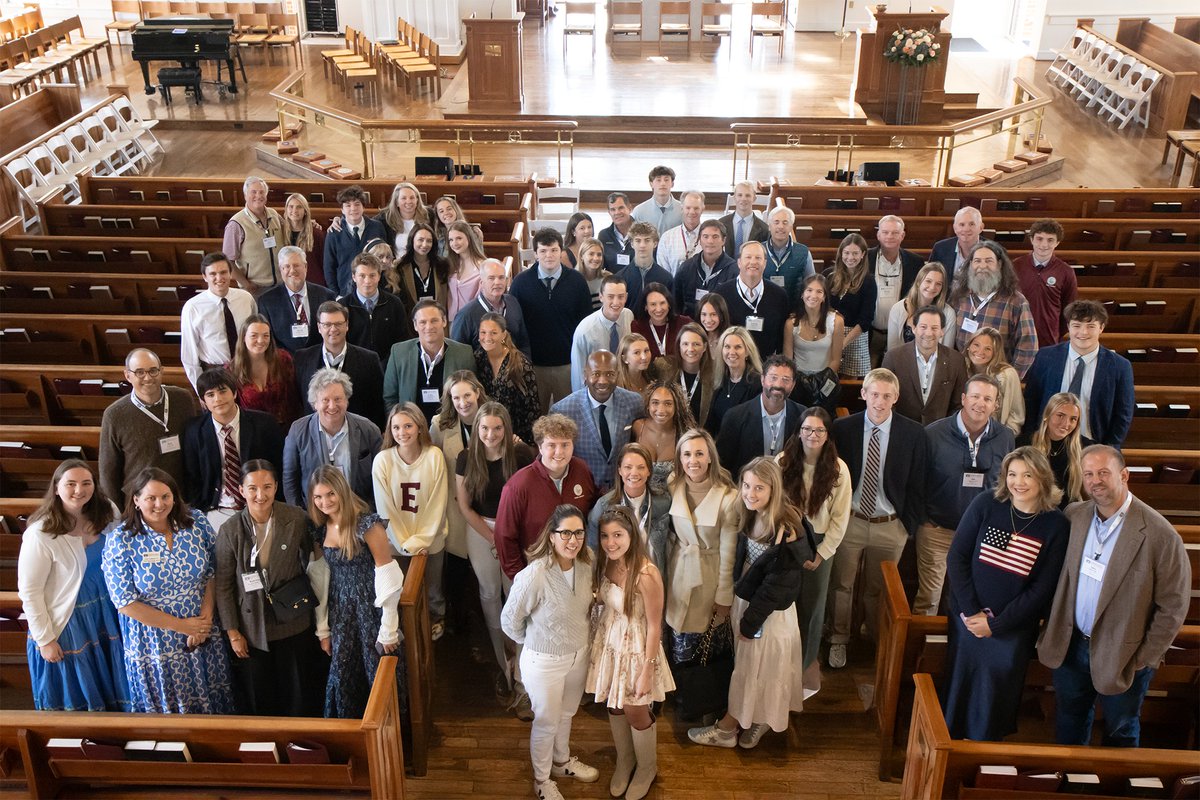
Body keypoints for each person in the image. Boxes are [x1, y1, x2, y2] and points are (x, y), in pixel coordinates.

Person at [1037, 445, 1191, 748]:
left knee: (1121, 730)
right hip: (1071, 645)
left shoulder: (1160, 534)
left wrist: (1144, 658)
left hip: (1124, 654)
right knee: (1069, 723)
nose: (1096, 481)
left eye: (1104, 473)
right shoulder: (1075, 515)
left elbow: (1173, 606)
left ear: (1124, 475)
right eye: (1090, 474)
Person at [941, 447, 1069, 741]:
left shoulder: (1056, 524)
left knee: (994, 699)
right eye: (1012, 474)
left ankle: (983, 756)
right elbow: (957, 557)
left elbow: (1042, 588)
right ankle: (948, 749)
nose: (1018, 482)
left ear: (1043, 478)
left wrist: (996, 624)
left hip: (1012, 629)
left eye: (1027, 475)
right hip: (968, 620)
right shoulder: (988, 504)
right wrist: (973, 613)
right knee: (959, 691)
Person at [688, 457, 809, 750]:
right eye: (746, 485)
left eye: (759, 488)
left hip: (768, 613)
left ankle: (727, 730)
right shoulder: (749, 513)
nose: (750, 493)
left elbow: (776, 587)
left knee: (758, 670)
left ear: (774, 490)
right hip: (749, 604)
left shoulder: (786, 527)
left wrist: (750, 623)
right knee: (751, 669)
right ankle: (753, 718)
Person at [101, 467, 234, 713]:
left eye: (165, 496)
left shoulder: (195, 523)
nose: (159, 504)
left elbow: (214, 571)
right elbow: (124, 601)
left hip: (203, 633)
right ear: (137, 500)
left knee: (214, 708)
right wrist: (181, 626)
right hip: (154, 644)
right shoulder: (121, 540)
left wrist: (204, 620)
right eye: (151, 498)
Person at [827, 368, 927, 669]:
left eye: (886, 396)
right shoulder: (843, 429)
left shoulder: (913, 433)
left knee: (878, 588)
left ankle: (872, 637)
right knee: (842, 585)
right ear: (863, 394)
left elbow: (919, 484)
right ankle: (838, 639)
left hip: (890, 524)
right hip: (852, 520)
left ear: (896, 398)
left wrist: (906, 527)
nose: (879, 402)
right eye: (874, 394)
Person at [501, 505, 600, 800]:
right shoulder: (536, 574)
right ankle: (542, 781)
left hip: (578, 656)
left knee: (567, 713)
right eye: (565, 533)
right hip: (544, 662)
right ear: (552, 536)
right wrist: (536, 641)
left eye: (579, 532)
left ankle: (561, 762)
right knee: (546, 721)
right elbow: (509, 621)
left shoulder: (588, 563)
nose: (573, 540)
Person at [215, 460, 326, 716]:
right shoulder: (229, 530)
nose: (260, 495)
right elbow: (223, 586)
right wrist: (233, 633)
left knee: (299, 693)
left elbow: (318, 554)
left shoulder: (296, 518)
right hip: (252, 627)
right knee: (261, 697)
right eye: (252, 488)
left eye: (267, 487)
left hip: (293, 619)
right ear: (241, 490)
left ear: (276, 487)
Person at [18, 460, 130, 711]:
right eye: (71, 484)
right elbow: (30, 591)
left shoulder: (107, 511)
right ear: (56, 488)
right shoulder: (40, 533)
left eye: (86, 483)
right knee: (82, 692)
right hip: (69, 621)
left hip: (107, 613)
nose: (79, 490)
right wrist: (45, 639)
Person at [587, 505, 673, 800]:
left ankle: (647, 767)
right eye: (605, 536)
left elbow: (654, 626)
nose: (611, 542)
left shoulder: (647, 573)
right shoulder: (606, 563)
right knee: (613, 705)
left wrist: (647, 670)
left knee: (636, 710)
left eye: (618, 535)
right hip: (610, 643)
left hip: (637, 648)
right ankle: (626, 761)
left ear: (631, 535)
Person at [308, 465, 405, 719]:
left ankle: (388, 738)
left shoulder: (367, 524)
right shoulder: (319, 529)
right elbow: (321, 579)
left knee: (378, 671)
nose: (324, 502)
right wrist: (323, 628)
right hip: (341, 611)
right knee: (343, 670)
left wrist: (389, 626)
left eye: (330, 494)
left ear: (341, 490)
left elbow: (388, 574)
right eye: (318, 497)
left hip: (371, 606)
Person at [916, 374, 1015, 616]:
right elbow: (916, 481)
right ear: (963, 398)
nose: (980, 403)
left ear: (996, 405)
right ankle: (918, 651)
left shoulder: (1006, 437)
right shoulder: (933, 434)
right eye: (975, 396)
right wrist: (924, 520)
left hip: (982, 533)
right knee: (929, 598)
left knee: (973, 598)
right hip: (938, 529)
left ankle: (960, 650)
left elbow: (1007, 485)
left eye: (988, 399)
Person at [456, 402, 536, 696]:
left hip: (514, 531)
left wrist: (506, 538)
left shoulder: (521, 454)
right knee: (489, 595)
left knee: (516, 595)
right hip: (481, 530)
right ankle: (504, 668)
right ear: (477, 429)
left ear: (507, 428)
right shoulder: (466, 458)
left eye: (497, 428)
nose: (491, 434)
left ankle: (523, 678)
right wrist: (492, 539)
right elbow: (464, 507)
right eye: (485, 428)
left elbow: (530, 498)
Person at [778, 408, 851, 696]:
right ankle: (781, 660)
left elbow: (840, 517)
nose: (812, 435)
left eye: (819, 430)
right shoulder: (782, 462)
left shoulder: (838, 469)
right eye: (807, 429)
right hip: (786, 538)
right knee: (784, 602)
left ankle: (805, 663)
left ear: (828, 435)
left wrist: (822, 553)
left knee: (812, 607)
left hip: (820, 542)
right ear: (798, 432)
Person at [664, 428, 739, 670]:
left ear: (710, 457)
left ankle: (699, 697)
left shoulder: (728, 497)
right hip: (678, 570)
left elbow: (729, 554)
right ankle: (678, 690)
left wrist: (724, 596)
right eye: (686, 454)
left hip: (709, 575)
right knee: (675, 633)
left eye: (699, 454)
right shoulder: (673, 484)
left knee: (704, 643)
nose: (692, 461)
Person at [373, 403, 449, 640]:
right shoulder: (383, 461)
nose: (402, 432)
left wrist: (422, 540)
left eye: (408, 425)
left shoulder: (434, 456)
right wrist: (405, 542)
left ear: (419, 427)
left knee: (433, 589)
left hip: (430, 540)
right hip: (397, 542)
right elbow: (385, 509)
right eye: (396, 427)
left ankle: (435, 621)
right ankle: (407, 631)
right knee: (402, 591)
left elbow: (437, 503)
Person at [495, 414, 598, 582]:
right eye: (551, 445)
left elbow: (593, 505)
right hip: (534, 574)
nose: (559, 452)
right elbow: (504, 537)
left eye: (565, 444)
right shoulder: (518, 486)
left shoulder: (582, 470)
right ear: (540, 447)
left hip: (575, 569)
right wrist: (520, 578)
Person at [182, 367, 284, 531]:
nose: (218, 399)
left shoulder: (264, 424)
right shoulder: (194, 431)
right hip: (216, 508)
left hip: (260, 504)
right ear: (203, 401)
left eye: (223, 391)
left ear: (235, 393)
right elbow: (191, 476)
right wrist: (201, 510)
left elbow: (279, 466)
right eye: (210, 395)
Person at [1022, 300, 1134, 447]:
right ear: (1068, 326)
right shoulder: (1046, 357)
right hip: (1046, 442)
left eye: (1091, 326)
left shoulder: (1119, 366)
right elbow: (1032, 401)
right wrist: (1032, 440)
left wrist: (1109, 448)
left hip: (1093, 444)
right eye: (1076, 325)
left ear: (1101, 328)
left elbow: (1123, 413)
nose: (1083, 332)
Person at [99, 348, 199, 508]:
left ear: (162, 371)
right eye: (139, 372)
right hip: (140, 504)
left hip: (181, 499)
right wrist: (119, 513)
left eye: (153, 371)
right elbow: (108, 472)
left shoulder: (182, 399)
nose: (148, 378)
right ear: (127, 375)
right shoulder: (114, 414)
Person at [510, 227, 594, 411]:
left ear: (561, 251)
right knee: (536, 415)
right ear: (535, 254)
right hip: (534, 366)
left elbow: (586, 323)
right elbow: (514, 325)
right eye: (543, 250)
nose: (549, 255)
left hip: (568, 364)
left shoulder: (577, 281)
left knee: (569, 415)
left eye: (554, 250)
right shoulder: (520, 283)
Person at [282, 368, 382, 507]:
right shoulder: (298, 431)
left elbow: (381, 477)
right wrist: (299, 516)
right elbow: (290, 479)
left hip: (358, 513)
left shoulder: (368, 429)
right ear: (314, 404)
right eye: (325, 400)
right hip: (314, 516)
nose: (332, 406)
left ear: (347, 400)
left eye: (338, 399)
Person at [551, 350, 644, 493]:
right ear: (585, 375)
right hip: (581, 491)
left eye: (609, 374)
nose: (602, 381)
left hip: (624, 489)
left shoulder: (634, 402)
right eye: (596, 374)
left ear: (617, 375)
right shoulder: (563, 410)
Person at [950, 240, 1039, 378]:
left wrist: (1010, 378)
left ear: (1000, 265)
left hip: (997, 381)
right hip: (963, 378)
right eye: (977, 261)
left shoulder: (1016, 301)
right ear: (970, 265)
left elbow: (1028, 346)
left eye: (989, 261)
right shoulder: (960, 297)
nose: (982, 266)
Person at [294, 301, 386, 427]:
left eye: (338, 324)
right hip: (315, 434)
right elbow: (297, 401)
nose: (333, 329)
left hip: (358, 434)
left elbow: (378, 403)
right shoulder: (302, 359)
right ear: (319, 327)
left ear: (347, 325)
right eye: (327, 324)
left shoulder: (369, 359)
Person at [430, 370, 488, 572]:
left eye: (467, 396)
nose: (462, 403)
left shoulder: (492, 420)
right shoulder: (439, 425)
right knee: (459, 569)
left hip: (486, 503)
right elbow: (433, 466)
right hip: (455, 506)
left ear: (477, 393)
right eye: (456, 397)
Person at [381, 300, 475, 422]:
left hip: (451, 428)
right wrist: (400, 427)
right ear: (415, 325)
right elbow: (390, 398)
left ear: (444, 321)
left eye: (434, 320)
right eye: (422, 322)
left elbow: (472, 396)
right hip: (411, 431)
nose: (429, 327)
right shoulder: (399, 353)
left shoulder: (464, 353)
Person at [587, 443, 671, 577]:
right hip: (616, 578)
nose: (634, 473)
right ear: (620, 470)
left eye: (641, 467)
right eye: (628, 467)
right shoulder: (604, 505)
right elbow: (592, 549)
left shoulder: (663, 502)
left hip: (653, 578)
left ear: (649, 471)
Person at [715, 355, 805, 477]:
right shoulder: (735, 417)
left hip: (787, 490)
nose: (778, 385)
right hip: (747, 490)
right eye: (773, 378)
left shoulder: (802, 416)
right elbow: (723, 466)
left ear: (793, 385)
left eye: (785, 380)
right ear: (762, 380)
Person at [181, 252, 258, 390]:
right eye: (213, 274)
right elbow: (189, 355)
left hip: (247, 369)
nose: (219, 278)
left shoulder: (246, 298)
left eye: (223, 272)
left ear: (230, 274)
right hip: (215, 372)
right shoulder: (193, 307)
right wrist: (200, 389)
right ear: (205, 277)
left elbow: (256, 333)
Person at [882, 306, 968, 426]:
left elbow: (958, 404)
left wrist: (946, 429)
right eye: (923, 327)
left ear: (942, 331)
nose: (928, 333)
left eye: (934, 328)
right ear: (914, 328)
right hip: (901, 429)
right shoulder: (893, 357)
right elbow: (885, 398)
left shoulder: (956, 360)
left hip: (940, 433)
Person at [254, 245, 335, 355]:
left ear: (305, 266)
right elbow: (269, 339)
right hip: (285, 364)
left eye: (296, 265)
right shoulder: (267, 302)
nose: (292, 271)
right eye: (287, 266)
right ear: (281, 269)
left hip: (320, 362)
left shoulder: (326, 296)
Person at [867, 215, 925, 367]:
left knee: (897, 373)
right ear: (878, 235)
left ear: (902, 235)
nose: (889, 236)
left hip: (901, 333)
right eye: (885, 232)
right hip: (871, 332)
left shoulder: (916, 262)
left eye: (894, 233)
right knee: (869, 378)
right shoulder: (865, 258)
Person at [475, 312, 541, 444]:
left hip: (516, 436)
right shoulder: (477, 359)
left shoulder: (519, 363)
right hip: (488, 435)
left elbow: (533, 408)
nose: (487, 337)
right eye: (483, 332)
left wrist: (530, 444)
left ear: (503, 334)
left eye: (493, 333)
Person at [716, 240, 788, 358]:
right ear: (739, 262)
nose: (753, 262)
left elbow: (781, 336)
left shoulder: (779, 295)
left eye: (758, 258)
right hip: (731, 363)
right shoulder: (721, 294)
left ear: (765, 263)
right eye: (748, 257)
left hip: (766, 364)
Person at [783, 274, 844, 413]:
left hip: (826, 379)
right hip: (798, 381)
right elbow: (788, 359)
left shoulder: (837, 321)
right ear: (802, 295)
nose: (813, 295)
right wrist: (802, 382)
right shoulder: (790, 324)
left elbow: (836, 360)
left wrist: (819, 383)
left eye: (819, 291)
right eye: (809, 290)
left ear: (824, 297)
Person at [230, 314, 303, 427]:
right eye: (254, 336)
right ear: (243, 337)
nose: (260, 341)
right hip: (254, 432)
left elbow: (295, 397)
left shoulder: (283, 360)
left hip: (286, 428)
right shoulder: (232, 370)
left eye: (266, 336)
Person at [1014, 218, 1078, 348]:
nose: (1044, 245)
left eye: (1050, 240)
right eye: (1039, 239)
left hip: (1049, 338)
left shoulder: (1066, 271)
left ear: (1057, 243)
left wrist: (1056, 332)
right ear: (1032, 239)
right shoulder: (1015, 266)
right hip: (1017, 333)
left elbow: (1068, 308)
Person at [340, 252, 412, 366]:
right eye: (362, 276)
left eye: (372, 275)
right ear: (354, 277)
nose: (367, 281)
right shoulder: (342, 306)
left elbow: (402, 340)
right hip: (354, 367)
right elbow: (340, 342)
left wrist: (387, 364)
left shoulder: (394, 303)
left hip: (389, 366)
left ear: (379, 276)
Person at [451, 257, 531, 357]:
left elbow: (523, 342)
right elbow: (458, 354)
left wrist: (525, 367)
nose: (497, 282)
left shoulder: (513, 303)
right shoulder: (466, 315)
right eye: (491, 278)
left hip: (514, 369)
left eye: (501, 277)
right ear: (481, 283)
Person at [1025, 392, 1091, 508]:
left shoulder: (1086, 447)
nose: (1066, 423)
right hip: (1033, 509)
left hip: (1069, 513)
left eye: (1073, 419)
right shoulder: (1025, 444)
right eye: (1060, 415)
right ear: (1047, 415)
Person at [824, 233, 876, 379]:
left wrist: (842, 344)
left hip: (855, 338)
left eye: (855, 253)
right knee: (828, 379)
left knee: (848, 386)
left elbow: (865, 320)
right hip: (831, 334)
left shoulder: (868, 281)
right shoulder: (829, 275)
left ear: (863, 254)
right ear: (841, 253)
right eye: (846, 253)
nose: (850, 257)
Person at [569, 273, 632, 391]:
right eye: (610, 296)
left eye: (621, 296)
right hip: (597, 390)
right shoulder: (584, 331)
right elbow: (578, 375)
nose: (616, 302)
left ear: (626, 297)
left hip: (624, 388)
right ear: (601, 297)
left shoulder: (628, 316)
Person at [222, 176, 285, 291]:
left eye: (262, 192)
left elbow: (291, 228)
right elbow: (227, 260)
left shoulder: (274, 215)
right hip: (255, 288)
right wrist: (246, 284)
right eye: (253, 192)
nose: (258, 196)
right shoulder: (236, 224)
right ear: (245, 195)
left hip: (280, 285)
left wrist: (310, 222)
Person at [323, 185, 386, 295]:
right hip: (345, 292)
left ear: (363, 207)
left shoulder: (377, 227)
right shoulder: (334, 233)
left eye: (357, 204)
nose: (353, 209)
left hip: (374, 289)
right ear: (342, 210)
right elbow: (329, 267)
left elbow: (385, 258)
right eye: (348, 205)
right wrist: (336, 294)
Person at [631, 379, 693, 489]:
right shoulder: (637, 427)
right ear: (648, 405)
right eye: (655, 402)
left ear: (676, 406)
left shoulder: (684, 435)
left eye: (668, 403)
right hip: (639, 496)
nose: (661, 410)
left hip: (673, 499)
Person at [965, 326, 1026, 436]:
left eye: (987, 348)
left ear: (995, 352)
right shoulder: (960, 367)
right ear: (969, 346)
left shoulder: (1007, 375)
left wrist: (1004, 439)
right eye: (976, 345)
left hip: (995, 437)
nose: (980, 351)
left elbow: (1016, 415)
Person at [674, 219, 738, 319]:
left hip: (720, 327)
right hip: (691, 327)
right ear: (699, 239)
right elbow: (676, 302)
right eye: (705, 236)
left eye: (715, 236)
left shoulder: (734, 270)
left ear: (723, 240)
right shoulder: (686, 268)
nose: (710, 241)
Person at [886, 261, 957, 350]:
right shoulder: (898, 309)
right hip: (902, 362)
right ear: (918, 282)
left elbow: (947, 352)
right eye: (928, 281)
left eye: (938, 284)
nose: (932, 287)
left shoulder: (949, 313)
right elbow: (892, 350)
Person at [708, 325, 763, 436]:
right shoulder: (719, 379)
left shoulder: (757, 383)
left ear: (747, 352)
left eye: (737, 347)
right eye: (727, 347)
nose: (731, 352)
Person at [763, 205, 815, 308]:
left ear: (791, 226)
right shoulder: (759, 250)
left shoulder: (803, 252)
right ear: (769, 226)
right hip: (764, 308)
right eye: (776, 222)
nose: (781, 226)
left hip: (793, 310)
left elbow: (811, 283)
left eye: (785, 222)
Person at [617, 222, 674, 313]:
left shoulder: (666, 278)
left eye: (647, 240)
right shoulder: (620, 278)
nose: (642, 245)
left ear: (655, 243)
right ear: (632, 244)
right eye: (638, 241)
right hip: (629, 326)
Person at [392, 223, 450, 310]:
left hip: (437, 317)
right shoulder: (400, 266)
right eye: (420, 240)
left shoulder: (442, 264)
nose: (425, 244)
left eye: (429, 241)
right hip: (411, 320)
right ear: (412, 240)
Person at [631, 281, 692, 363]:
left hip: (680, 374)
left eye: (662, 303)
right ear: (646, 306)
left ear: (669, 304)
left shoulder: (685, 324)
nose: (659, 309)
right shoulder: (637, 327)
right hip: (648, 375)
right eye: (653, 304)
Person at [670, 322, 715, 427]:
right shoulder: (665, 369)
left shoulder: (715, 375)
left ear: (704, 347)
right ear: (679, 346)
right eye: (685, 344)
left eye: (696, 344)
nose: (690, 349)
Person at [375, 181, 432, 258]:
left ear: (417, 200)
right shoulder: (384, 219)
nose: (408, 201)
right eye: (403, 198)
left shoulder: (429, 215)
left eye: (412, 197)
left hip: (424, 264)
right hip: (396, 265)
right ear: (397, 202)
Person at [281, 193, 327, 287]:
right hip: (288, 283)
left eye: (299, 207)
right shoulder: (279, 233)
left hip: (312, 283)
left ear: (305, 211)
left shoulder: (316, 234)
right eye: (291, 207)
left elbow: (325, 263)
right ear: (286, 209)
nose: (294, 210)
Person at [656, 189, 705, 275]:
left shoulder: (711, 238)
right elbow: (663, 272)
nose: (692, 212)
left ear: (702, 209)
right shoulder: (667, 238)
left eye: (696, 208)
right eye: (688, 208)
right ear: (682, 209)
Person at [445, 220, 486, 322]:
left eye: (459, 238)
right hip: (452, 322)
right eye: (451, 240)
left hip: (474, 321)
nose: (454, 243)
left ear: (468, 238)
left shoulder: (483, 267)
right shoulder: (449, 265)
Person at [929, 206, 985, 277]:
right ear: (955, 228)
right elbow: (931, 277)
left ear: (981, 227)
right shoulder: (940, 248)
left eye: (972, 224)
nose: (966, 229)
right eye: (962, 225)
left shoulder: (994, 250)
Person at [719, 181, 768, 258]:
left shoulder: (764, 229)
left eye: (748, 195)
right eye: (740, 195)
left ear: (754, 198)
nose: (743, 199)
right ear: (734, 197)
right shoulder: (721, 224)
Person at [631, 164, 683, 233]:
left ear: (672, 184)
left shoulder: (682, 210)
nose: (663, 183)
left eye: (666, 180)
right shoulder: (639, 211)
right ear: (651, 184)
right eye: (658, 180)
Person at [598, 191, 636, 271]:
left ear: (629, 208)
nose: (617, 213)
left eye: (621, 208)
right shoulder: (604, 236)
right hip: (612, 282)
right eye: (613, 209)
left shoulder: (643, 233)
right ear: (609, 212)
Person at [573, 237, 610, 309]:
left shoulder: (608, 278)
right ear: (581, 256)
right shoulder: (572, 280)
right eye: (591, 254)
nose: (596, 258)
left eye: (599, 255)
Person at [697, 292, 732, 358]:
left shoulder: (730, 338)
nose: (708, 320)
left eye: (713, 314)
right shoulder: (696, 336)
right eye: (704, 314)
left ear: (722, 315)